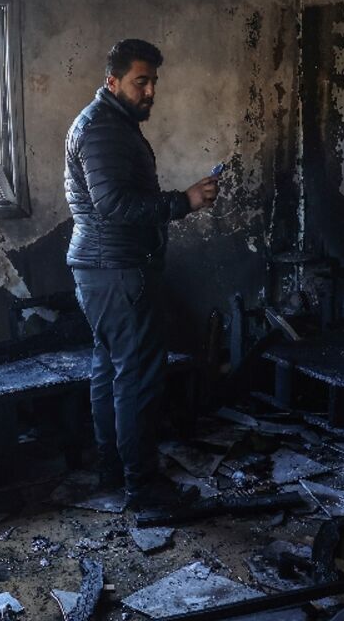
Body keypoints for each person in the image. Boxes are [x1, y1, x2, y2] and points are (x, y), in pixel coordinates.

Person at [64, 39, 219, 509]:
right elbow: (113, 206)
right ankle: (143, 486)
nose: (150, 91)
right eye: (140, 81)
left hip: (104, 269)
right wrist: (183, 201)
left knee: (112, 370)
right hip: (117, 269)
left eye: (153, 81)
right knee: (137, 377)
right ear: (113, 81)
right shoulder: (104, 129)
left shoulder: (108, 123)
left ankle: (116, 472)